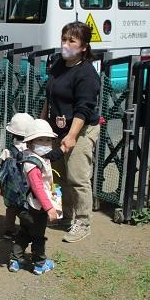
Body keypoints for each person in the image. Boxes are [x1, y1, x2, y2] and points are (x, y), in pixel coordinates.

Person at [41, 21, 101, 243]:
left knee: (77, 177)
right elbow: (50, 96)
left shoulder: (86, 74)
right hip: (56, 129)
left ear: (83, 46)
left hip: (81, 129)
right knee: (58, 175)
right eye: (64, 39)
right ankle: (66, 216)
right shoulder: (58, 64)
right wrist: (42, 124)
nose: (66, 44)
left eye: (71, 41)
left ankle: (83, 222)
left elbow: (83, 109)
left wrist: (72, 136)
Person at [8, 119, 60, 275]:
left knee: (24, 232)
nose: (45, 143)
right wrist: (49, 208)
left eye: (48, 140)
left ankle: (15, 260)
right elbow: (38, 188)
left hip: (23, 205)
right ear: (30, 142)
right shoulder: (33, 163)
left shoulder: (26, 155)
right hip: (35, 207)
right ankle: (40, 264)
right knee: (38, 236)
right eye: (40, 140)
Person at [0, 112, 35, 240]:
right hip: (29, 185)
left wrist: (2, 187)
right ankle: (27, 232)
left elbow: (3, 169)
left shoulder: (8, 150)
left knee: (11, 208)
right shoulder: (32, 150)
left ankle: (9, 230)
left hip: (12, 186)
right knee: (27, 208)